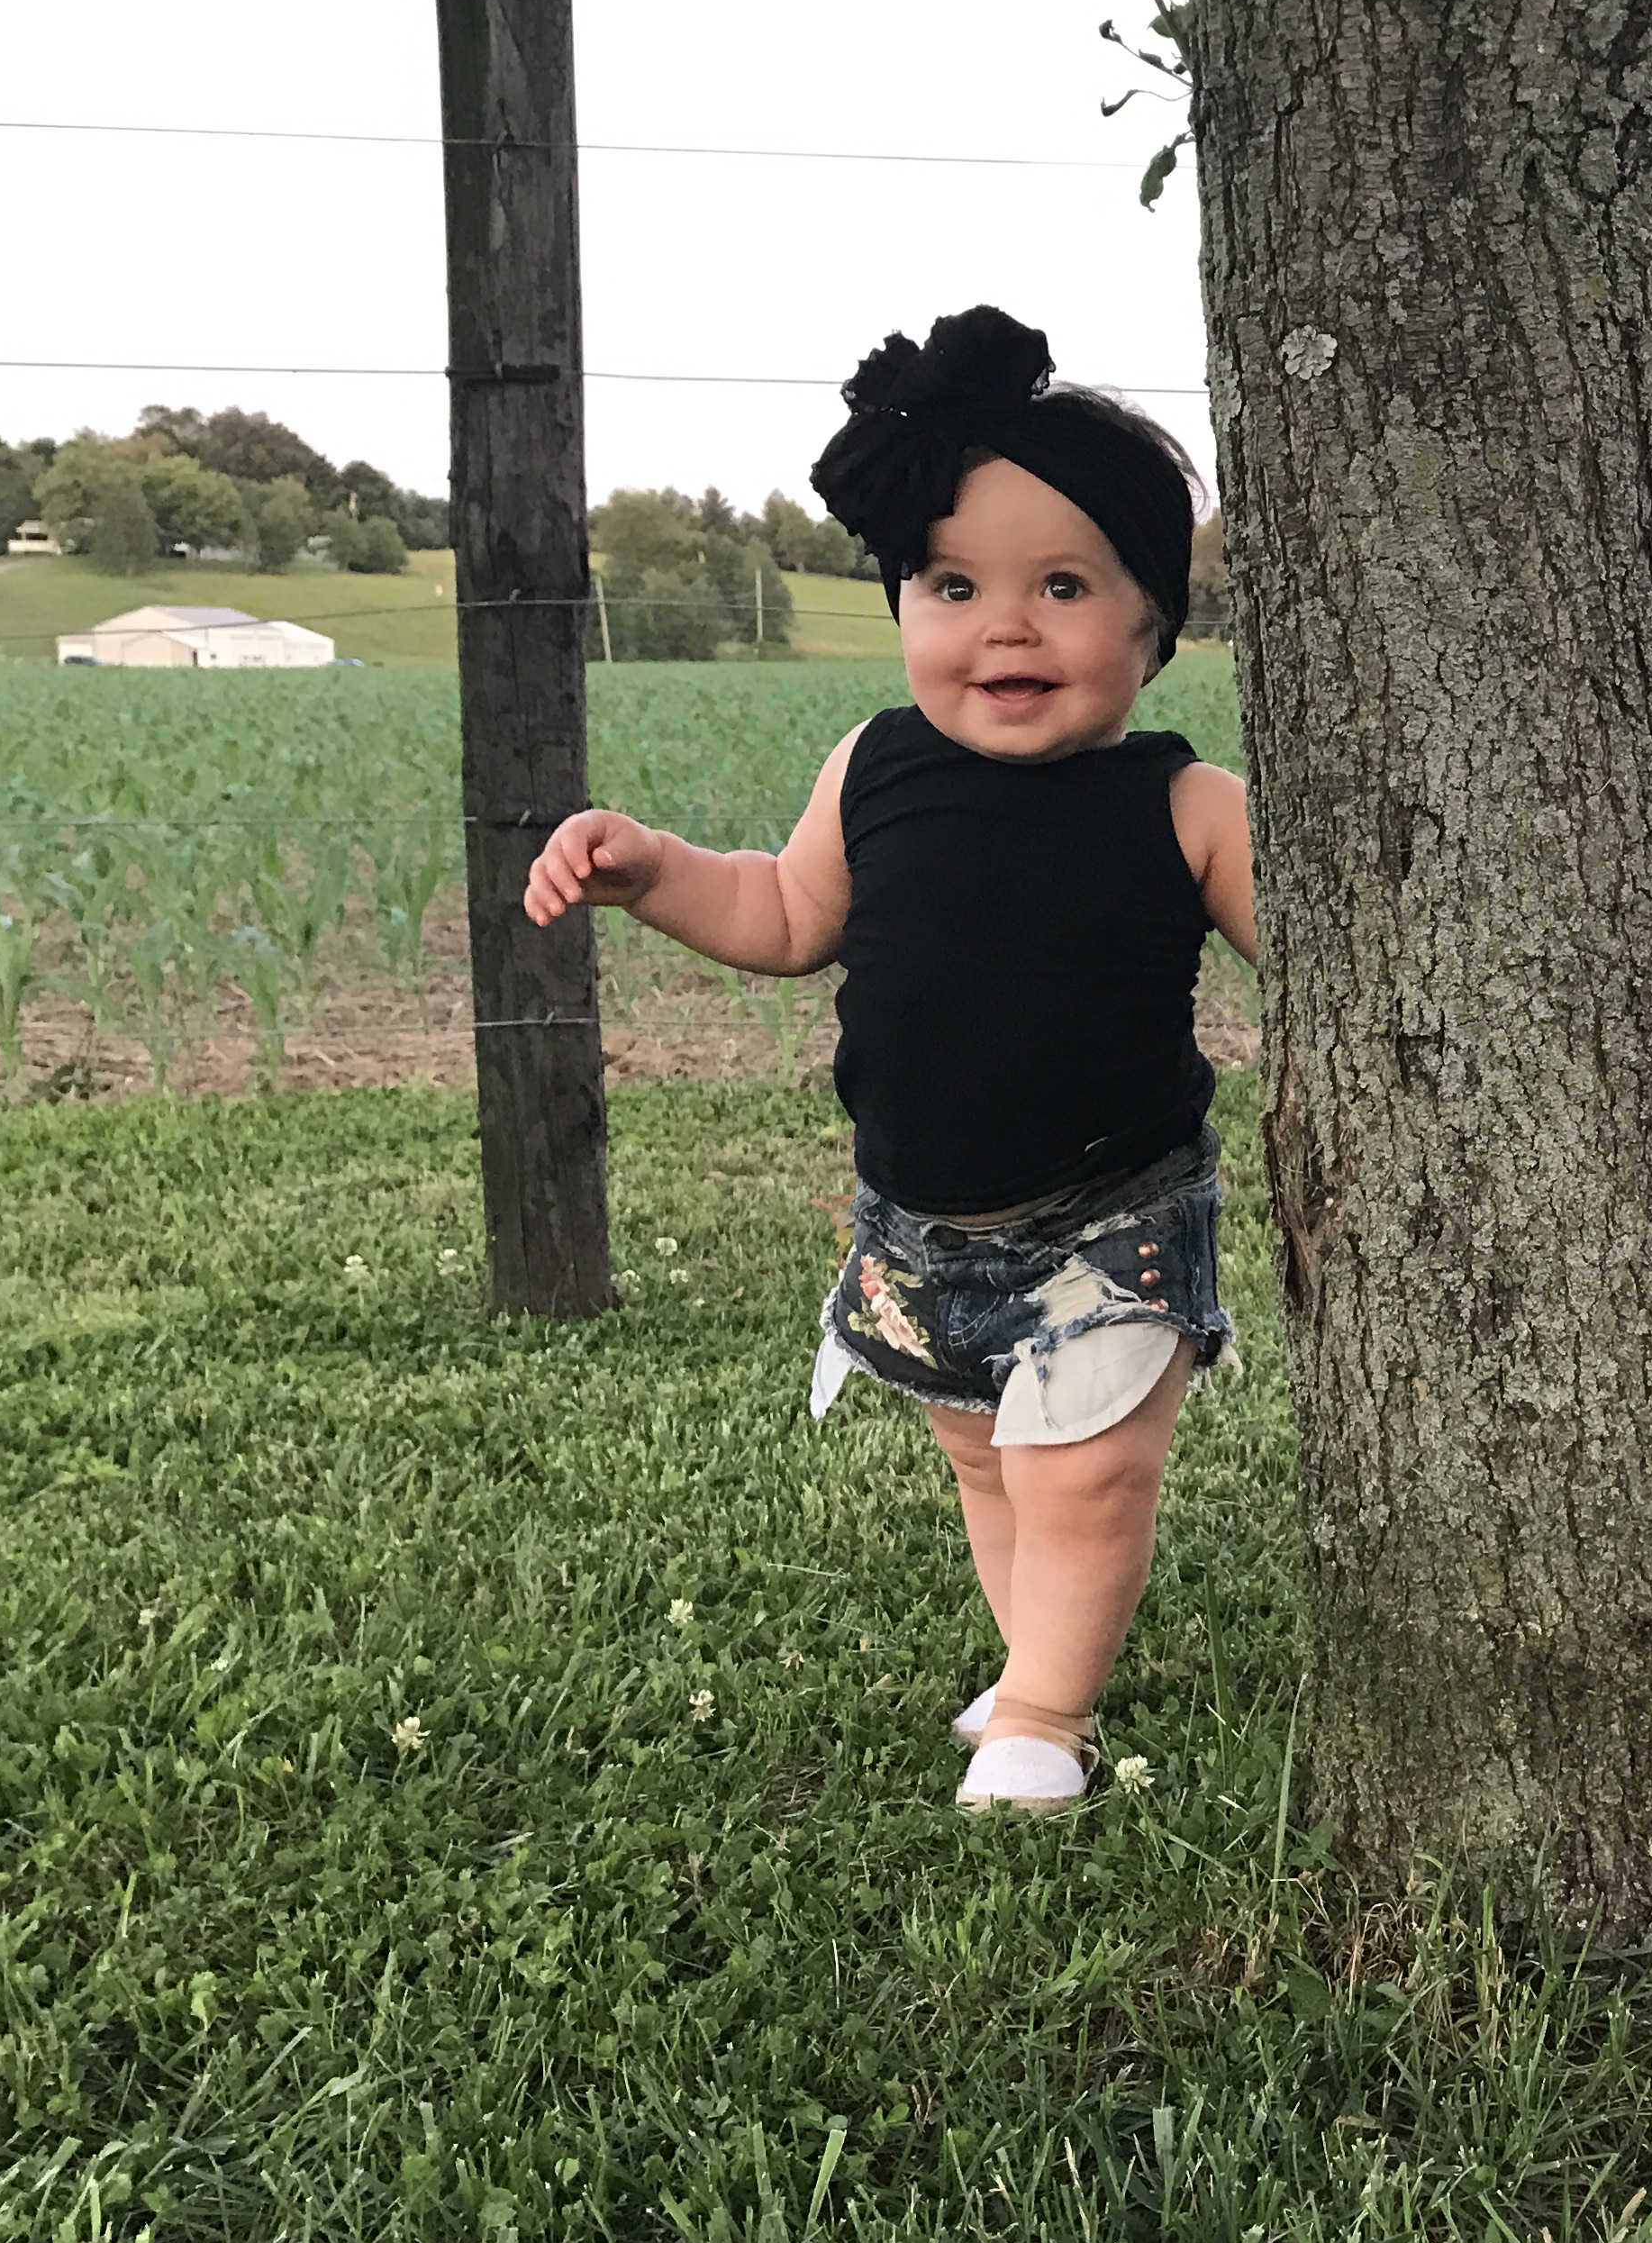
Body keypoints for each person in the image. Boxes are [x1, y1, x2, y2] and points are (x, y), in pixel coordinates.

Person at [523, 305, 1255, 1814]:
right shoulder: (874, 764)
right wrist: (651, 865)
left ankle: (1046, 1712)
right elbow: (786, 914)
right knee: (990, 1467)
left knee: (1085, 1473)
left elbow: (1340, 957)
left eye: (1064, 585)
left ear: (1152, 629)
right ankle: (1028, 1661)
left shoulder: (1186, 806)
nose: (1005, 625)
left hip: (1109, 1214)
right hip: (916, 1223)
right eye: (953, 584)